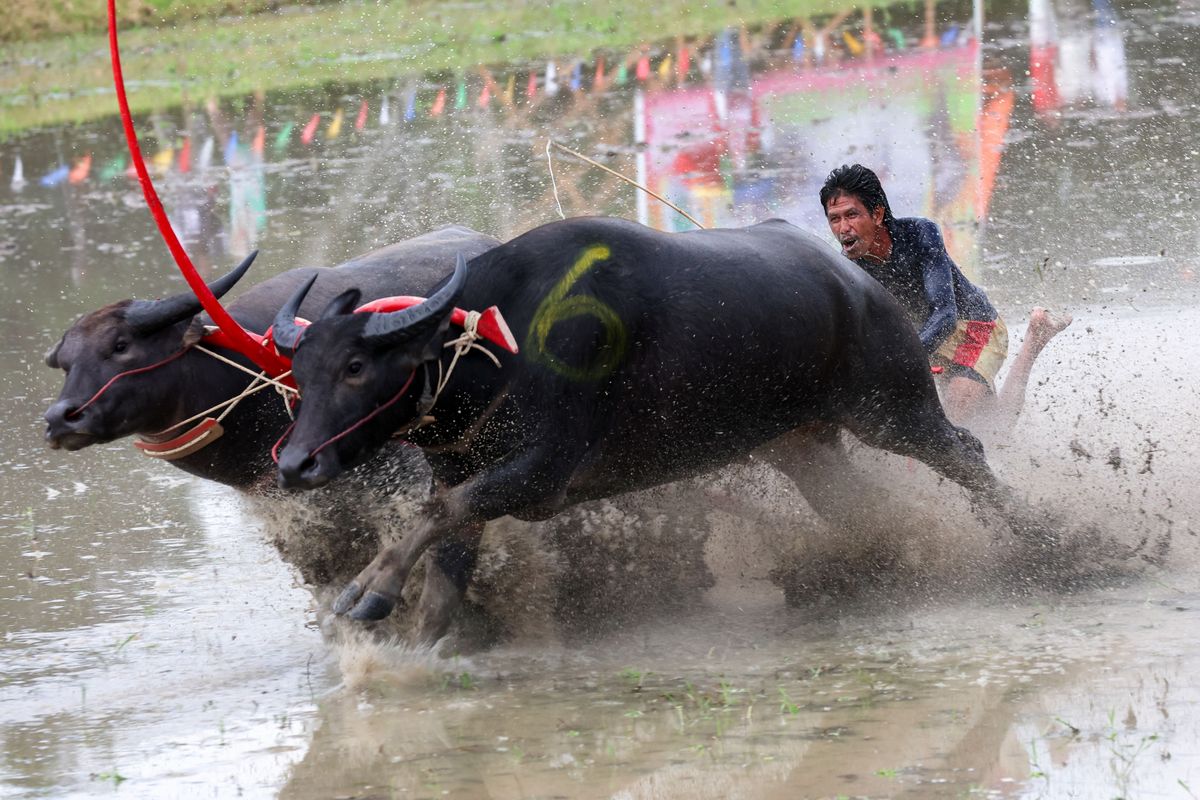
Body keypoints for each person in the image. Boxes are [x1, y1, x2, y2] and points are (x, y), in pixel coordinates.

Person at [819, 163, 1071, 433]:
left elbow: (945, 314)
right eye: (835, 219)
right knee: (992, 428)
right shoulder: (847, 271)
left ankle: (1033, 342)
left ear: (878, 214)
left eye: (851, 215)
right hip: (922, 340)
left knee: (959, 423)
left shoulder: (919, 234)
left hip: (972, 329)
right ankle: (1038, 332)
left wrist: (900, 364)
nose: (843, 228)